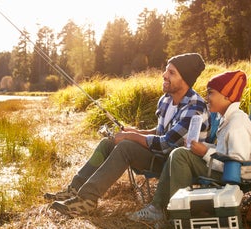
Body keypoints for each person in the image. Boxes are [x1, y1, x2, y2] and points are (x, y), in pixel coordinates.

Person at [44, 53, 209, 216]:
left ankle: (86, 201)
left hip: (172, 164)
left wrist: (131, 137)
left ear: (185, 80)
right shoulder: (166, 99)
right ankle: (74, 190)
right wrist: (135, 131)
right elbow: (160, 132)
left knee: (126, 147)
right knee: (108, 143)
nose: (164, 75)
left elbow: (166, 144)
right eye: (166, 70)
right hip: (158, 155)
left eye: (172, 73)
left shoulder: (195, 106)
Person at [127, 70, 251, 222]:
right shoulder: (226, 118)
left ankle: (176, 216)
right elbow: (224, 152)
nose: (207, 98)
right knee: (179, 153)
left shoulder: (237, 123)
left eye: (211, 93)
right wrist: (202, 146)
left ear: (227, 96)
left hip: (235, 177)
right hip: (224, 169)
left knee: (180, 155)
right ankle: (159, 208)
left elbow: (237, 165)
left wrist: (205, 152)